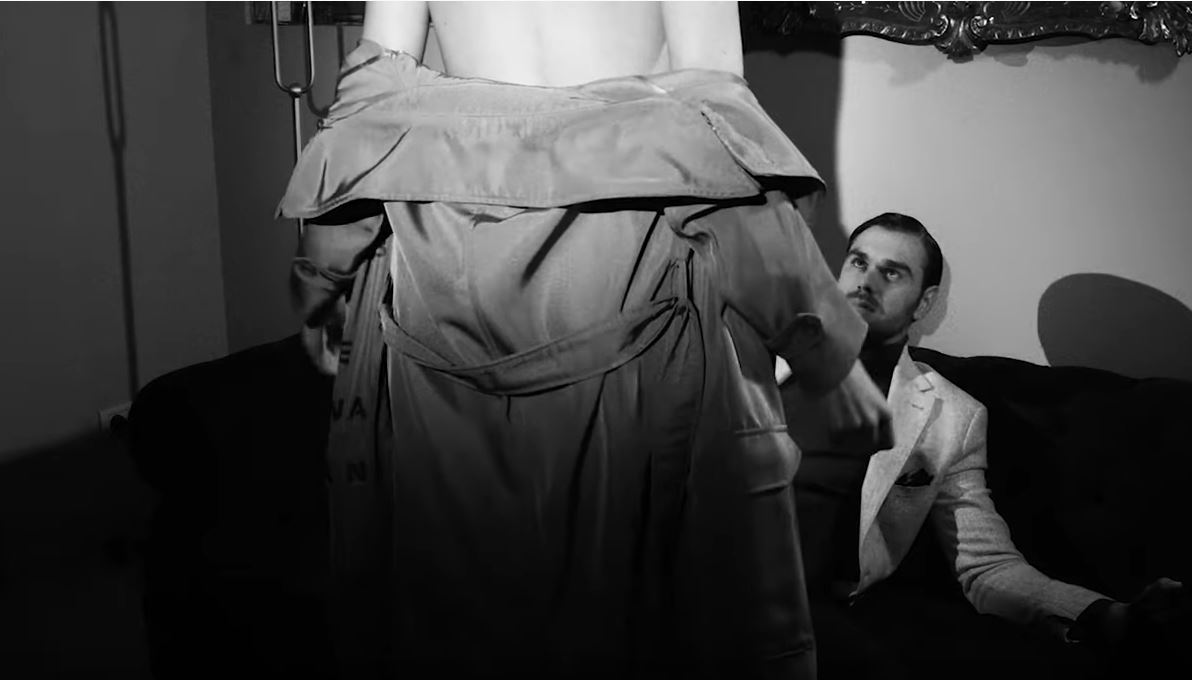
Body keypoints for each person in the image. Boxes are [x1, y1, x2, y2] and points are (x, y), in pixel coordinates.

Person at [277, 2, 893, 679]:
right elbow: (715, 134)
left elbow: (373, 106)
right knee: (630, 617)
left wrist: (320, 277)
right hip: (627, 300)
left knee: (462, 613)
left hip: (442, 300)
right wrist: (822, 347)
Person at [778, 212, 1192, 679]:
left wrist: (1109, 617)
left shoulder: (951, 416)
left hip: (814, 620)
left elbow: (986, 567)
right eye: (858, 262)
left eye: (892, 272)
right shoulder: (756, 358)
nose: (866, 282)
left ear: (924, 303)